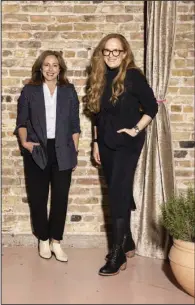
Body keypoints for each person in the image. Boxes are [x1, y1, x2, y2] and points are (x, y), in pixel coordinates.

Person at [84, 33, 158, 276]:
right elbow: (96, 113)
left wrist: (135, 130)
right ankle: (126, 242)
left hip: (127, 143)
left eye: (117, 51)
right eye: (107, 51)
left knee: (117, 193)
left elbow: (152, 107)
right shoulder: (98, 77)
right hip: (105, 142)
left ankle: (116, 254)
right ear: (102, 53)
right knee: (118, 190)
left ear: (125, 53)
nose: (112, 55)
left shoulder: (133, 76)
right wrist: (95, 142)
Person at [14, 50, 81, 262]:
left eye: (54, 65)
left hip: (63, 149)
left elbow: (74, 125)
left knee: (60, 197)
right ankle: (43, 239)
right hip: (38, 150)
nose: (50, 69)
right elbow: (21, 122)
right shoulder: (29, 90)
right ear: (40, 68)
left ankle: (56, 242)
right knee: (38, 197)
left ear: (60, 68)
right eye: (46, 65)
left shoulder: (69, 91)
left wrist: (74, 151)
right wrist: (25, 143)